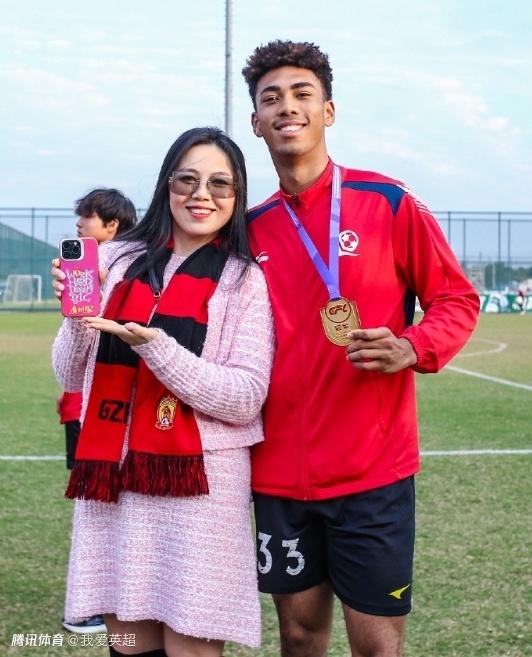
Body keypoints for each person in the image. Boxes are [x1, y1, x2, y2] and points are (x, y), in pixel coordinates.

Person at [241, 40, 480, 657]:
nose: (287, 107)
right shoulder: (250, 227)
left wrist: (412, 345)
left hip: (372, 474)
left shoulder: (386, 201)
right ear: (256, 121)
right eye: (271, 98)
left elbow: (457, 298)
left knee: (376, 646)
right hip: (278, 476)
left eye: (302, 94)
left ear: (328, 111)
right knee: (298, 637)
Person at [51, 127, 275, 657]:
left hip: (200, 490)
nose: (201, 195)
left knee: (190, 647)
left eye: (220, 184)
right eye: (187, 180)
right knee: (128, 645)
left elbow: (246, 396)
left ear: (237, 195)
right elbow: (69, 375)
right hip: (114, 478)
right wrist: (78, 316)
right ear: (166, 184)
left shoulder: (244, 280)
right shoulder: (116, 259)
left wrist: (157, 348)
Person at [57, 187, 137, 634]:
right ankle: (95, 602)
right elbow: (70, 363)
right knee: (96, 502)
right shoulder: (89, 272)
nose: (79, 225)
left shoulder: (130, 268)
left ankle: (97, 603)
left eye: (86, 217)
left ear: (112, 224)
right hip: (91, 409)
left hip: (104, 413)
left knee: (103, 502)